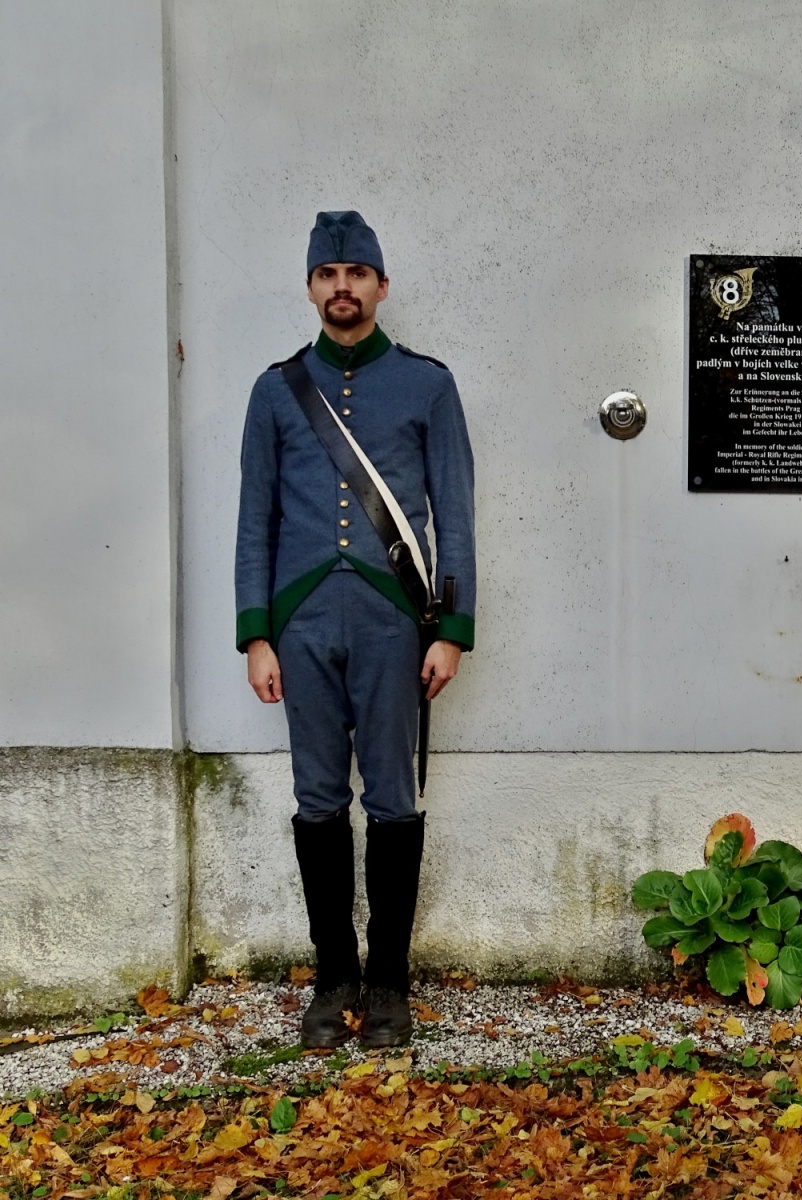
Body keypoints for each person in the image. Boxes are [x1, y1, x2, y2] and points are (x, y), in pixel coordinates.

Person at [234, 211, 476, 1048]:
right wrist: (257, 634)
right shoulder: (276, 391)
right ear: (311, 287)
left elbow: (455, 515)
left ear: (380, 285)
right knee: (317, 800)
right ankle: (333, 976)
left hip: (392, 623)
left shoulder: (427, 385)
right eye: (328, 274)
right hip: (299, 624)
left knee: (393, 798)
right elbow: (255, 520)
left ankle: (389, 985)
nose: (343, 287)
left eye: (357, 273)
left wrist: (451, 630)